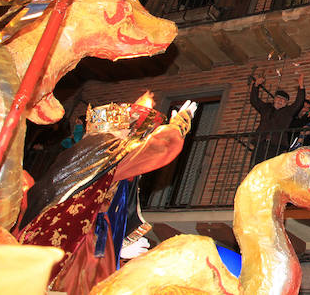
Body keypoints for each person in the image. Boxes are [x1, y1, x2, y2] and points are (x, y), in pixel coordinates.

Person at [19, 96, 196, 294]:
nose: (132, 136)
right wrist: (179, 125)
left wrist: (122, 241)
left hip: (58, 238)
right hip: (80, 244)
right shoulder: (106, 150)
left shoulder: (80, 154)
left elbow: (106, 202)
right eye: (129, 130)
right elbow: (158, 149)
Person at [250, 74, 306, 164]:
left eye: (283, 100)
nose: (280, 100)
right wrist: (256, 85)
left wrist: (301, 86)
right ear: (274, 99)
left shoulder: (288, 111)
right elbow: (254, 100)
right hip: (260, 143)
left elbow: (298, 103)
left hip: (277, 146)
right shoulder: (266, 108)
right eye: (278, 98)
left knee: (272, 170)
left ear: (286, 103)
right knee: (255, 170)